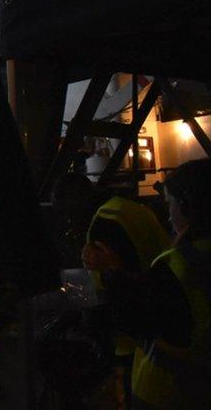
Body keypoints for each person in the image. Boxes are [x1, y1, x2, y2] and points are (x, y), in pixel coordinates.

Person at [83, 159, 211, 408]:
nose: (168, 214)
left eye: (170, 204)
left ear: (186, 205)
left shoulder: (180, 264)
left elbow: (135, 318)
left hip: (173, 394)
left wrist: (109, 271)